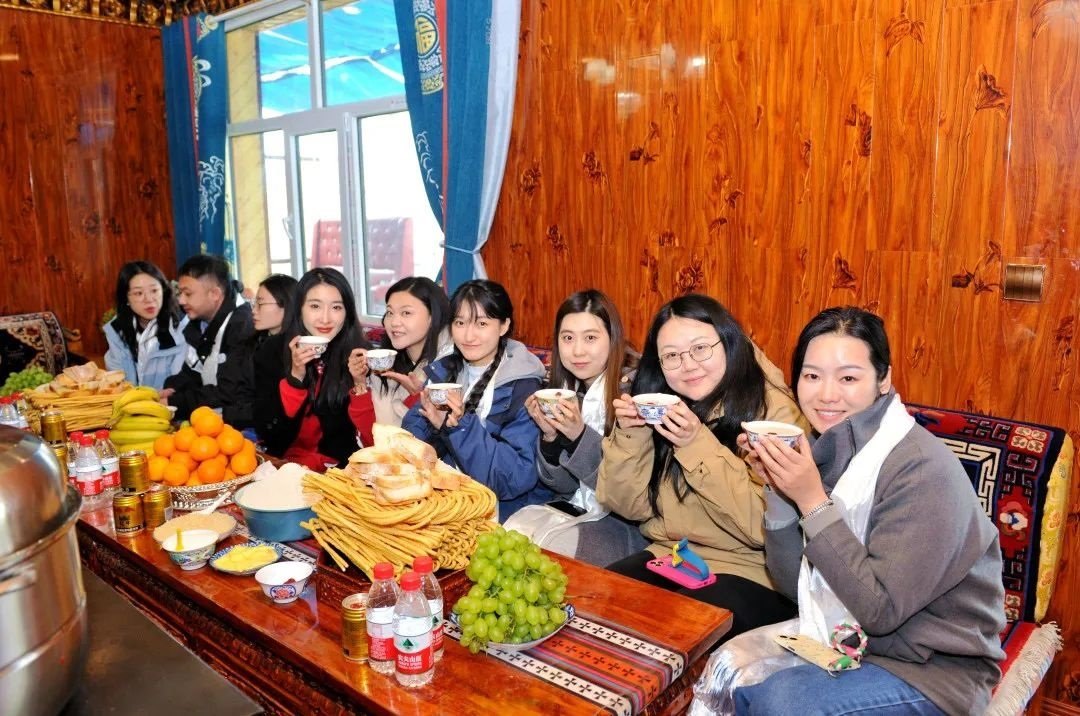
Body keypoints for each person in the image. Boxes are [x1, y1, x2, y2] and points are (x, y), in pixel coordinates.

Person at [726, 307, 1005, 715]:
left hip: (933, 670)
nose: (826, 395)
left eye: (848, 378)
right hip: (852, 646)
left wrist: (811, 501)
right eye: (812, 376)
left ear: (884, 379)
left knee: (779, 703)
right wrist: (777, 488)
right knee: (735, 678)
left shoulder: (920, 468)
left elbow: (880, 610)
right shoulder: (831, 449)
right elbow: (792, 584)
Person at [597, 294, 807, 637]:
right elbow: (628, 507)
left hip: (751, 570)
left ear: (728, 343)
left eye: (700, 349)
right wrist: (631, 434)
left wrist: (695, 443)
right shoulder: (663, 402)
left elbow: (761, 529)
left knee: (675, 634)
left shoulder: (774, 416)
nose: (688, 365)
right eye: (672, 356)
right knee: (598, 607)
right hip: (674, 555)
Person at [508, 289, 647, 566]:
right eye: (568, 338)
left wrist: (578, 436)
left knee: (543, 560)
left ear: (613, 338)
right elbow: (564, 486)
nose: (578, 351)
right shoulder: (566, 390)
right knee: (509, 539)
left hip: (627, 524)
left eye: (591, 338)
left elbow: (627, 496)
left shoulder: (635, 395)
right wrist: (550, 438)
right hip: (576, 507)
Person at [402, 279, 552, 520]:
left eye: (481, 323)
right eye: (459, 323)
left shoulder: (524, 388)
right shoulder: (444, 371)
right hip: (444, 502)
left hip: (498, 514)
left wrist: (458, 428)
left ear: (504, 326)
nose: (468, 335)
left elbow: (514, 478)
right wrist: (434, 427)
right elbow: (409, 440)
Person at [253, 268, 373, 470]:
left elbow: (372, 442)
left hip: (339, 473)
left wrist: (360, 384)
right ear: (299, 308)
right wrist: (295, 378)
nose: (325, 319)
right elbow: (270, 434)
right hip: (283, 467)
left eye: (336, 307)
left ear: (347, 312)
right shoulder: (272, 351)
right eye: (315, 306)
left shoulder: (360, 354)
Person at [163, 255, 255, 425]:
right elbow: (192, 372)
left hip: (236, 426)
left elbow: (228, 391)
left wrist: (176, 403)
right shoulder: (199, 323)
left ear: (215, 294)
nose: (181, 301)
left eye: (188, 294)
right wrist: (172, 389)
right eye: (180, 293)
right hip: (208, 421)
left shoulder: (242, 327)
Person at [362, 276, 452, 427]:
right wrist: (359, 383)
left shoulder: (449, 365)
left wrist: (419, 397)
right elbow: (371, 433)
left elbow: (446, 435)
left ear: (432, 317)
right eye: (390, 312)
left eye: (406, 313)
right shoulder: (385, 361)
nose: (394, 322)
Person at [220, 274, 298, 433]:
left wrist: (227, 414)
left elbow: (273, 408)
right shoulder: (252, 342)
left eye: (260, 304)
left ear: (287, 305)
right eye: (254, 303)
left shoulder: (298, 352)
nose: (253, 311)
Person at [103, 261, 187, 390]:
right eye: (138, 293)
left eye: (154, 290)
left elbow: (179, 384)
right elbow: (116, 381)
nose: (148, 299)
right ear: (126, 299)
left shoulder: (181, 328)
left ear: (163, 291)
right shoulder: (117, 330)